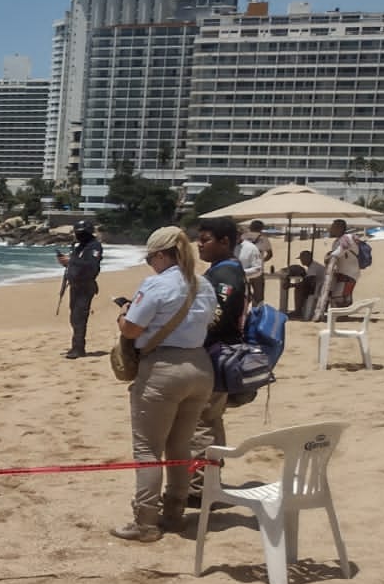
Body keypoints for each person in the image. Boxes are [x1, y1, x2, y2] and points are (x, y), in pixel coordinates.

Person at [112, 227, 217, 543]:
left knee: (147, 448)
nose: (149, 264)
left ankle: (145, 521)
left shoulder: (157, 284)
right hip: (199, 366)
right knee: (180, 444)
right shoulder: (204, 283)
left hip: (164, 368)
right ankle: (174, 513)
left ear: (161, 255)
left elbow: (131, 330)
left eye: (150, 258)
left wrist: (122, 315)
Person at [190, 217, 248, 482]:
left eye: (205, 240)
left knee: (201, 422)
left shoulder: (225, 273)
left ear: (225, 242)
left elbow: (217, 317)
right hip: (221, 353)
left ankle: (199, 485)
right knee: (211, 420)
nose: (199, 246)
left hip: (216, 356)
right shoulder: (227, 268)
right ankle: (211, 481)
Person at [56, 220, 103, 358]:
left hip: (85, 286)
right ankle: (76, 346)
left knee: (79, 317)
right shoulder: (80, 247)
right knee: (74, 317)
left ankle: (79, 348)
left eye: (80, 233)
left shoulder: (94, 247)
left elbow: (91, 265)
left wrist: (70, 260)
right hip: (75, 286)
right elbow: (77, 264)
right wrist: (65, 262)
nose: (78, 235)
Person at [321, 218, 362, 312]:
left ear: (339, 228)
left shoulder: (347, 238)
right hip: (341, 272)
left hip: (349, 273)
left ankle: (342, 314)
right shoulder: (337, 240)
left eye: (333, 227)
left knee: (340, 295)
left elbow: (340, 251)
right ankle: (341, 314)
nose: (330, 229)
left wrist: (330, 256)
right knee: (339, 294)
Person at [237, 220, 274, 305]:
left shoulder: (242, 237)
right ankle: (256, 312)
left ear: (250, 227)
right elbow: (270, 254)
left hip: (242, 268)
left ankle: (244, 310)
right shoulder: (264, 239)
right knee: (258, 294)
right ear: (261, 228)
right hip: (257, 269)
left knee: (244, 293)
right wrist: (261, 261)